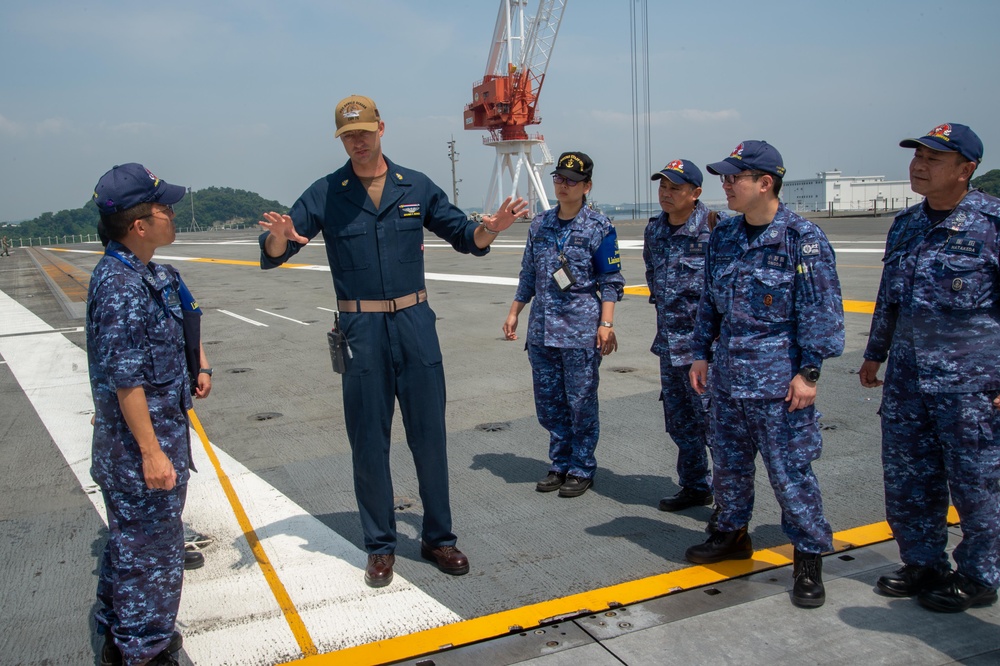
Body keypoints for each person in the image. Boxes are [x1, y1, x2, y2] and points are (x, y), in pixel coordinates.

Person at [258, 95, 527, 588]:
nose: (357, 142)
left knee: (429, 434)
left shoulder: (416, 186)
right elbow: (280, 248)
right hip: (361, 332)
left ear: (381, 128)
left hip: (415, 323)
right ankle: (380, 546)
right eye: (347, 136)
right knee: (367, 440)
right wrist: (278, 236)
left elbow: (466, 236)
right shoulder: (328, 192)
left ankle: (438, 538)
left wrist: (492, 230)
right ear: (340, 140)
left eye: (363, 131)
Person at [685, 141, 845, 609]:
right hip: (729, 379)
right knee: (729, 469)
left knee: (790, 475)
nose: (725, 185)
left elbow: (824, 314)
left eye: (734, 178)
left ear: (765, 183)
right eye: (724, 177)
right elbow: (709, 304)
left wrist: (809, 375)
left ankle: (810, 558)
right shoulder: (725, 235)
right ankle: (732, 534)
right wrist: (701, 354)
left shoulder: (802, 238)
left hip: (780, 386)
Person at [859, 122, 1000, 613]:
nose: (919, 165)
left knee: (977, 482)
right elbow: (889, 300)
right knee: (908, 476)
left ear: (966, 170)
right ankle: (923, 562)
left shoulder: (991, 224)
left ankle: (980, 576)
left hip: (972, 384)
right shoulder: (907, 225)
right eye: (917, 156)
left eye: (934, 159)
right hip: (909, 379)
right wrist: (875, 353)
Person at [87, 163, 193, 665]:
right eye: (163, 208)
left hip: (138, 442)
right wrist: (152, 454)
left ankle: (116, 629)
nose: (172, 214)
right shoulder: (122, 286)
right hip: (139, 453)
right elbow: (126, 379)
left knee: (129, 544)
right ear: (139, 225)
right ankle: (143, 650)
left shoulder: (139, 273)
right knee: (151, 554)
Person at [502, 152, 625, 498]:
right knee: (550, 402)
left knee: (581, 401)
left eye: (571, 180)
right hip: (542, 330)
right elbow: (528, 274)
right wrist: (515, 312)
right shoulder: (540, 225)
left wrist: (607, 323)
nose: (563, 185)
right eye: (558, 178)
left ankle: (582, 466)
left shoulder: (599, 227)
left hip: (581, 330)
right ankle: (559, 462)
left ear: (586, 186)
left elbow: (612, 280)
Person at [643, 159, 724, 524]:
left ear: (695, 193)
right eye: (662, 186)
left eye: (675, 188)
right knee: (680, 422)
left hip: (705, 349)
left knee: (716, 426)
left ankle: (729, 499)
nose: (666, 193)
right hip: (669, 346)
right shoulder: (654, 231)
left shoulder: (716, 229)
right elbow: (652, 275)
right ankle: (694, 485)